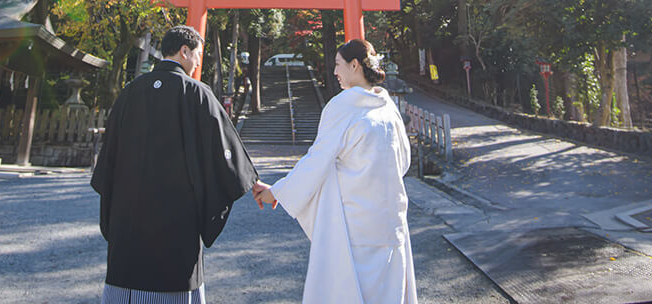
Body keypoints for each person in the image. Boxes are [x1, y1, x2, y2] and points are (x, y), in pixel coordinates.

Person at [92, 25, 259, 303]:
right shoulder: (197, 94)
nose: (197, 62)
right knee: (172, 283)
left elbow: (108, 158)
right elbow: (224, 152)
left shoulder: (130, 92)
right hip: (176, 217)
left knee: (126, 281)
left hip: (127, 215)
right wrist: (252, 181)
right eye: (197, 55)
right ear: (184, 51)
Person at [253, 39, 417, 304]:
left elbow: (317, 161)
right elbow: (404, 162)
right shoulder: (388, 107)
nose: (334, 72)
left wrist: (278, 193)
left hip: (355, 223)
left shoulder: (343, 105)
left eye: (339, 65)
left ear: (355, 65)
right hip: (390, 220)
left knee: (350, 290)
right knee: (389, 292)